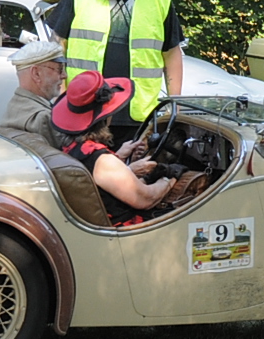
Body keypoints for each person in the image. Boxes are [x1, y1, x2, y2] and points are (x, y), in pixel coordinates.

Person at [43, 0, 184, 140]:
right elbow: (56, 45)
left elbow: (172, 54)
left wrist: (175, 105)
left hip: (137, 116)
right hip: (84, 110)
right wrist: (60, 95)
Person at [51, 72, 173, 226]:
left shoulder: (70, 147)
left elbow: (97, 176)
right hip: (126, 229)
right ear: (105, 116)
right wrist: (170, 177)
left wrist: (122, 159)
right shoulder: (102, 161)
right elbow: (146, 199)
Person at [0, 36, 66, 144]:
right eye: (59, 69)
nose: (64, 75)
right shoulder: (41, 118)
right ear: (36, 74)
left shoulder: (15, 105)